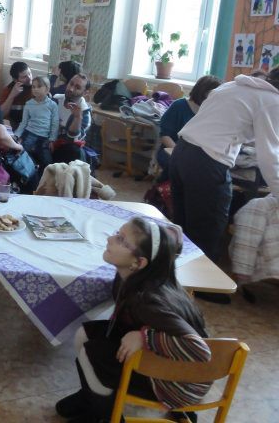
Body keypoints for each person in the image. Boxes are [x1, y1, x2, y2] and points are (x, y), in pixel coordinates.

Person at [55, 218, 211, 423]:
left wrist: (144, 338)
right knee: (84, 335)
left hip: (178, 381)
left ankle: (106, 415)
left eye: (121, 240)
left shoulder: (148, 300)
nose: (110, 239)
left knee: (92, 355)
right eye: (116, 233)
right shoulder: (133, 276)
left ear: (138, 262)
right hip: (164, 356)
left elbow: (200, 351)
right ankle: (91, 398)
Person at [170, 68, 279, 295]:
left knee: (186, 221)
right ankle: (202, 288)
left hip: (182, 152)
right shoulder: (270, 100)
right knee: (209, 225)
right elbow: (270, 154)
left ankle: (175, 279)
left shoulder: (234, 85)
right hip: (207, 160)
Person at [154, 75, 221, 181]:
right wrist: (179, 154)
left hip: (197, 154)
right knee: (184, 167)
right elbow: (165, 135)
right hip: (171, 149)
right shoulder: (179, 106)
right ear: (203, 92)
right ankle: (164, 186)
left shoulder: (211, 111)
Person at [14, 75, 58, 167]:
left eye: (39, 86)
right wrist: (17, 135)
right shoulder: (28, 104)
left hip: (44, 138)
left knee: (47, 162)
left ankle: (41, 172)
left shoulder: (53, 105)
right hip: (29, 134)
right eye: (33, 87)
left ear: (47, 89)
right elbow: (24, 122)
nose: (35, 89)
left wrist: (52, 139)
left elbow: (55, 123)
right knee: (22, 157)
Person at [52, 74, 92, 164]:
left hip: (65, 149)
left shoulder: (85, 114)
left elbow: (72, 141)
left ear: (85, 93)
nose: (71, 89)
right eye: (71, 84)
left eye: (77, 87)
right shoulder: (55, 99)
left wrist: (77, 118)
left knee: (74, 150)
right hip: (47, 142)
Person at [0, 61, 33, 129]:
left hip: (30, 124)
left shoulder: (36, 87)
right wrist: (12, 95)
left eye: (30, 73)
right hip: (14, 123)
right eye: (24, 77)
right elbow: (1, 114)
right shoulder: (8, 90)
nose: (29, 78)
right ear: (15, 80)